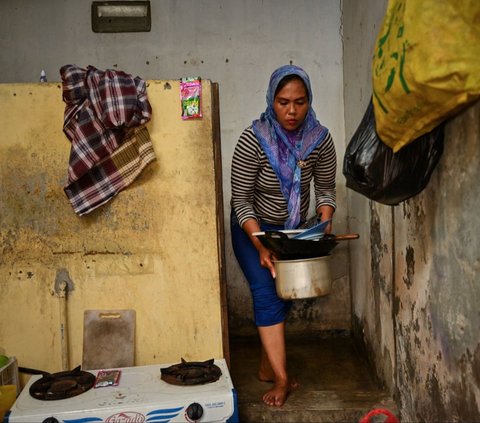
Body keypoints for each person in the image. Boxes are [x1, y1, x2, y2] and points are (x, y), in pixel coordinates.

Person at [230, 64, 337, 407]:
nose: (292, 111)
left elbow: (326, 189)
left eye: (300, 102)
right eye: (283, 102)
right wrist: (260, 244)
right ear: (271, 101)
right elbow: (241, 199)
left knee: (286, 292)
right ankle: (280, 378)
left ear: (309, 101)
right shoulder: (253, 140)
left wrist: (324, 222)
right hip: (252, 228)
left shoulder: (319, 139)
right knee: (266, 291)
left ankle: (266, 365)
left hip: (293, 230)